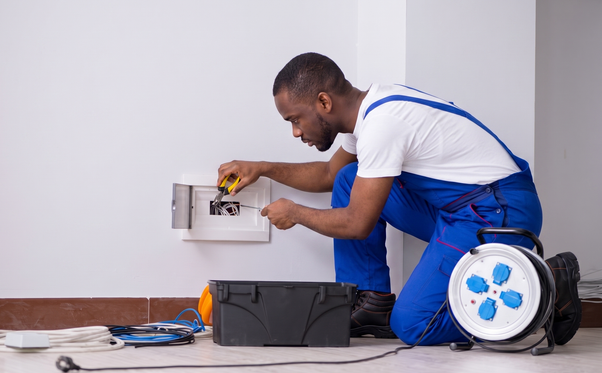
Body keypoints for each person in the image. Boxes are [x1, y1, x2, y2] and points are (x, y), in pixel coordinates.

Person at [217, 52, 581, 346]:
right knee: (347, 178)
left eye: (296, 120)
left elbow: (357, 224)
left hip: (498, 211)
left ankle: (541, 285)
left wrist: (295, 213)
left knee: (414, 325)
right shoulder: (369, 113)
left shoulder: (382, 124)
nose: (296, 132)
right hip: (456, 208)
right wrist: (261, 167)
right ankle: (372, 302)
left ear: (324, 102)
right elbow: (329, 176)